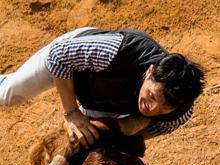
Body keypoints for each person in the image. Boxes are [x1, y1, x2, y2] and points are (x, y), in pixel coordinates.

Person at [0, 27, 205, 149]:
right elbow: (58, 55)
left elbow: (149, 131)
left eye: (163, 107)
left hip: (106, 101)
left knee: (89, 142)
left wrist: (117, 136)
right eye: (151, 95)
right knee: (10, 93)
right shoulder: (117, 50)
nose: (151, 108)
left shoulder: (179, 112)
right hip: (75, 58)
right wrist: (71, 113)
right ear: (150, 71)